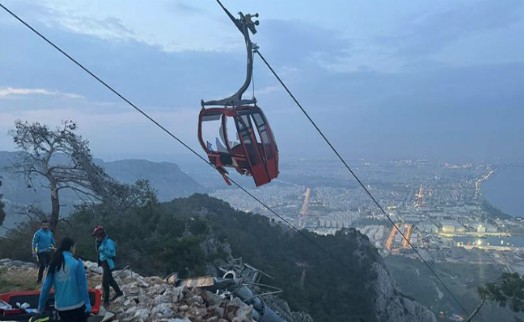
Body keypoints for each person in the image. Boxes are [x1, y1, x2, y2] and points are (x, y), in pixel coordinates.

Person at [37, 237, 91, 322]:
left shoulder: (54, 263)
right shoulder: (77, 262)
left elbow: (45, 288)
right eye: (74, 247)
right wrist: (87, 304)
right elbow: (82, 285)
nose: (75, 249)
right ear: (71, 247)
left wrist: (40, 307)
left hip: (61, 307)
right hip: (77, 305)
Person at [92, 226, 123, 307]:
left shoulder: (108, 242)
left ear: (101, 235)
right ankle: (119, 293)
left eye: (97, 236)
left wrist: (103, 250)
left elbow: (112, 254)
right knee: (110, 280)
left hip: (107, 263)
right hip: (103, 263)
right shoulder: (98, 242)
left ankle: (106, 301)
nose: (96, 238)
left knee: (105, 282)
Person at [32, 219, 56, 283]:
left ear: (48, 225)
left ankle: (50, 280)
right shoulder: (38, 233)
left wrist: (54, 247)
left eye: (46, 225)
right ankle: (39, 280)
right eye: (44, 225)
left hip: (48, 251)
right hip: (40, 251)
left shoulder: (50, 233)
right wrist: (34, 251)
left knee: (50, 265)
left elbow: (52, 241)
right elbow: (33, 243)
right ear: (41, 225)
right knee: (42, 265)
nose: (45, 226)